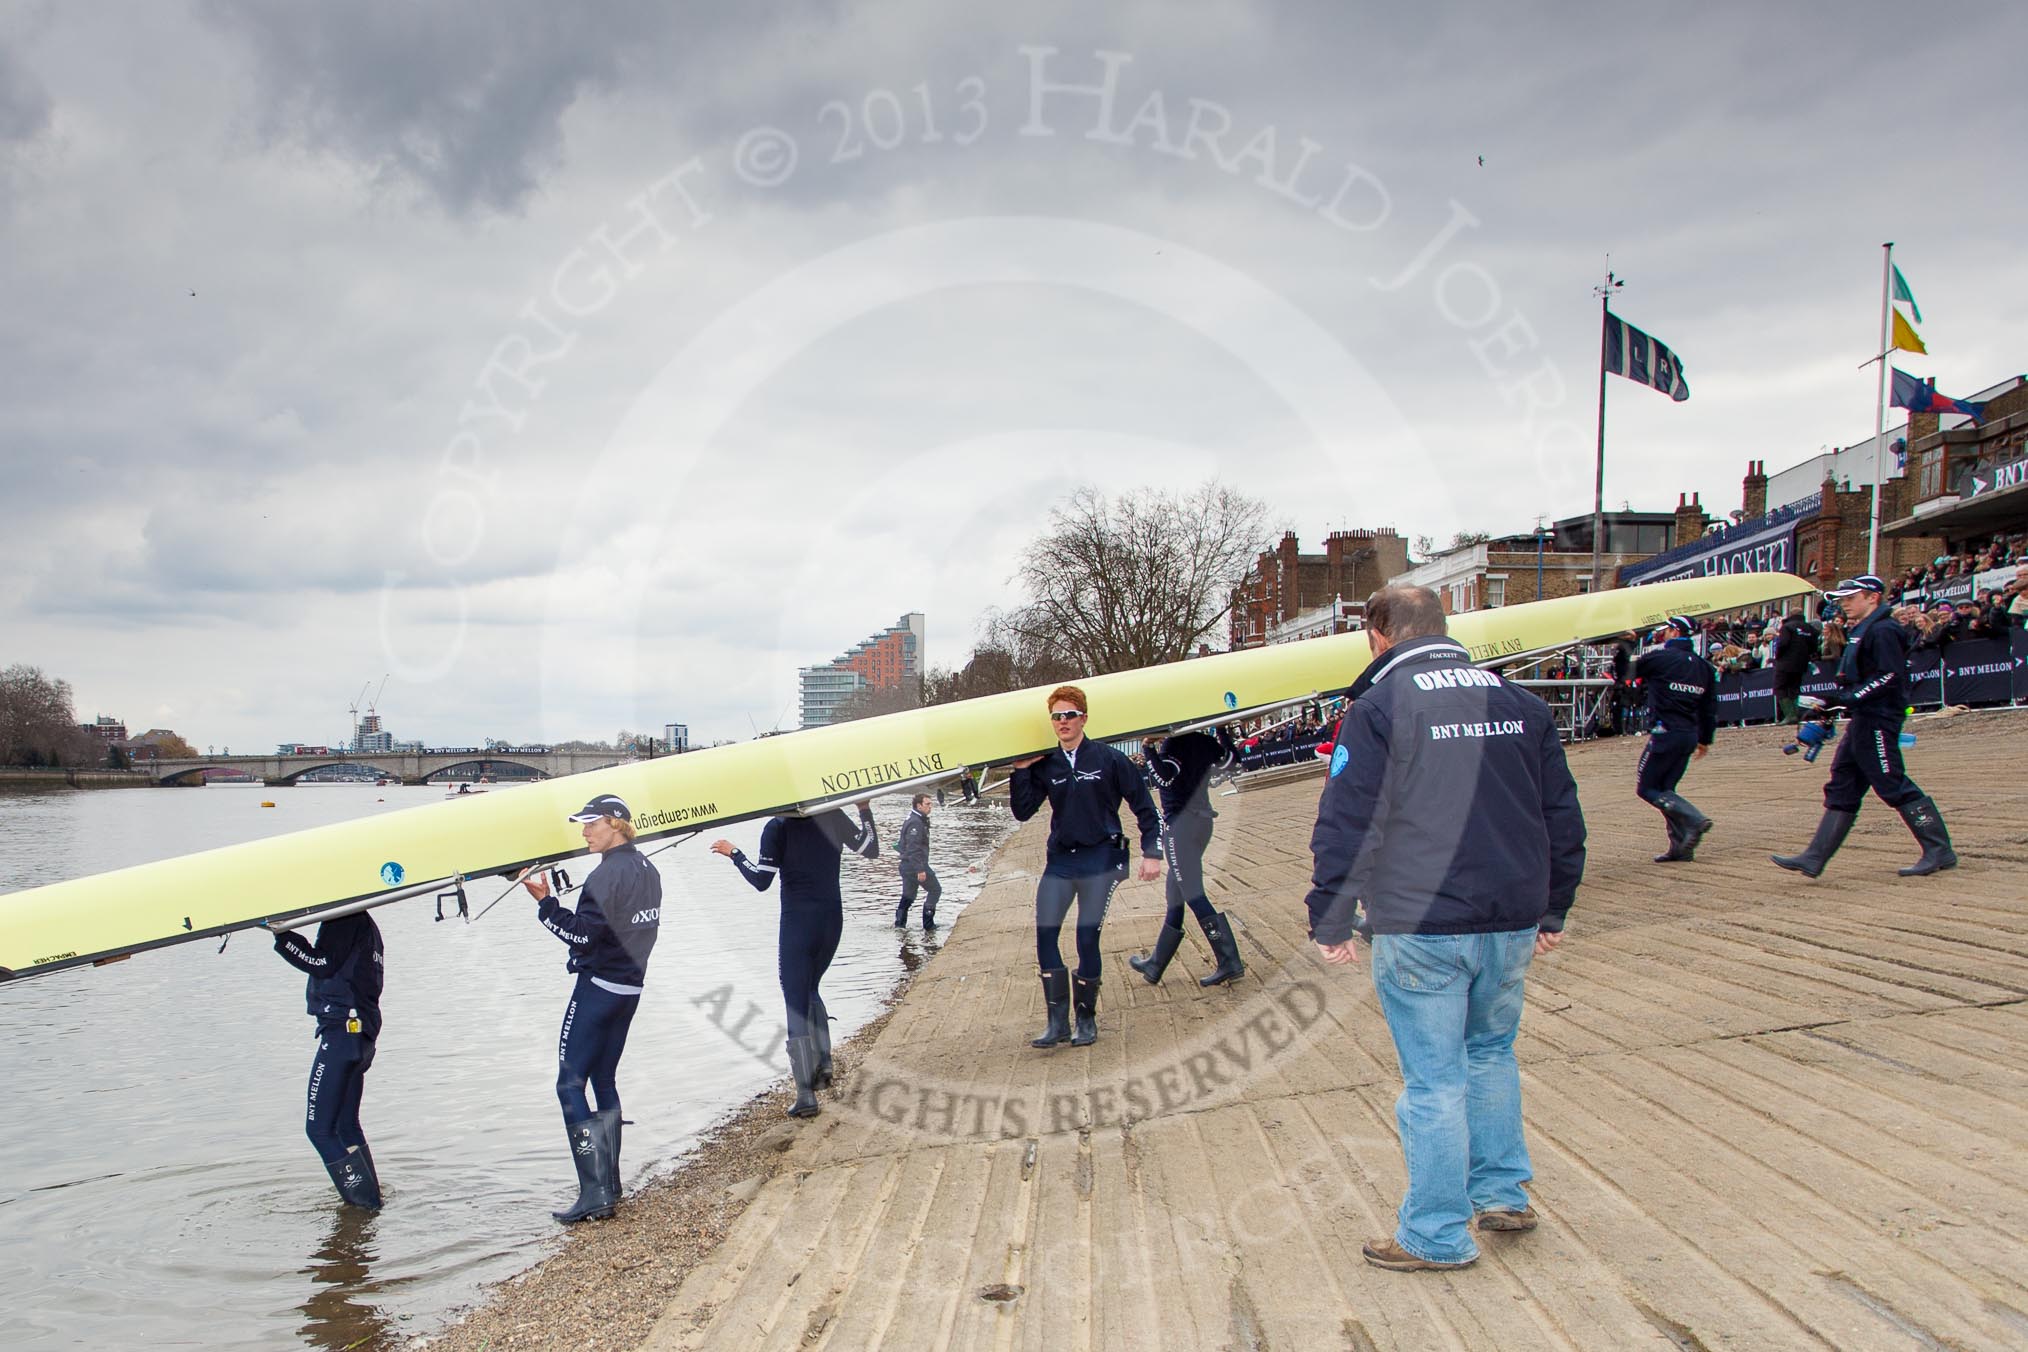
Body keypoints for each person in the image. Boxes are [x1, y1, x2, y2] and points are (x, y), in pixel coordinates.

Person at [1306, 585, 1585, 1272]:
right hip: (1512, 915)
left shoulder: (1378, 709)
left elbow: (1348, 822)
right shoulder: (1520, 704)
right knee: (1491, 1054)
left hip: (1422, 920)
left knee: (1433, 1082)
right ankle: (1502, 1193)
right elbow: (1562, 814)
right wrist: (1554, 905)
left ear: (1378, 634)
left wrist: (1331, 916)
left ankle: (1435, 1233)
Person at [519, 793, 662, 1224]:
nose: (584, 833)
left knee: (569, 1085)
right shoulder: (648, 868)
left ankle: (594, 1191)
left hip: (599, 989)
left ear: (616, 824)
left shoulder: (604, 877)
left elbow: (582, 937)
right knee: (603, 1078)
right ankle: (610, 1183)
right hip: (629, 989)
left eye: (591, 825)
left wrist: (544, 903)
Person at [1009, 684, 1163, 1049]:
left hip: (1101, 858)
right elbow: (1022, 811)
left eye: (1070, 715)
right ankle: (1057, 1022)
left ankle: (1086, 1020)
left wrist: (1152, 853)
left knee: (1085, 937)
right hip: (1061, 860)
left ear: (1084, 718)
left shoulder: (1109, 759)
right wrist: (1020, 771)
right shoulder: (1049, 765)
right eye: (1057, 716)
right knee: (1045, 934)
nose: (1063, 722)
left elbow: (1144, 807)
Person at [1773, 575, 1957, 879]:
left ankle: (1938, 849)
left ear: (1872, 597)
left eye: (1851, 597)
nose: (1844, 603)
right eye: (1843, 598)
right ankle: (1814, 857)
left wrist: (1846, 699)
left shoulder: (1883, 630)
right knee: (1843, 782)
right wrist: (1839, 702)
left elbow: (1888, 676)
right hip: (1865, 717)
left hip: (1878, 717)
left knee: (1891, 782)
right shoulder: (1865, 628)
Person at [712, 802, 879, 1117]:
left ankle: (805, 1096)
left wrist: (734, 854)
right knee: (811, 986)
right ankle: (824, 1064)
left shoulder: (777, 827)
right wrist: (864, 809)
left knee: (795, 1002)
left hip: (798, 925)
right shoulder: (833, 813)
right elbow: (870, 850)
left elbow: (761, 880)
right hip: (832, 921)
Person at [273, 911, 385, 1209]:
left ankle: (364, 1211)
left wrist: (281, 934)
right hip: (359, 1034)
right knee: (347, 1125)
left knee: (319, 1130)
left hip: (342, 1033)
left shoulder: (344, 918)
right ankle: (372, 1202)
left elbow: (322, 964)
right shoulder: (363, 922)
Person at [1128, 726, 1244, 987]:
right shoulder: (1204, 741)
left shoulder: (1172, 746)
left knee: (1192, 892)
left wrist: (1147, 748)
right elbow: (1233, 765)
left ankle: (1229, 960)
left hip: (1180, 827)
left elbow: (1165, 778)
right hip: (1202, 822)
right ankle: (1156, 964)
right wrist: (1224, 733)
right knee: (1175, 893)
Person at [1632, 616, 1719, 863]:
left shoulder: (1661, 658)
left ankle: (1694, 818)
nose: (1664, 634)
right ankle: (1681, 847)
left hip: (1665, 733)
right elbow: (1709, 707)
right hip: (1688, 736)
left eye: (1666, 630)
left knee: (1647, 788)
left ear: (1674, 631)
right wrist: (1705, 739)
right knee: (1666, 790)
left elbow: (1624, 673)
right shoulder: (1704, 667)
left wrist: (1625, 644)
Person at [894, 793, 941, 930]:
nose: (930, 807)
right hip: (914, 865)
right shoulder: (916, 822)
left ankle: (899, 926)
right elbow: (913, 848)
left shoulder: (915, 818)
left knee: (908, 896)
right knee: (935, 890)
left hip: (907, 865)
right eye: (927, 804)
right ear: (919, 806)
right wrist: (920, 869)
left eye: (931, 804)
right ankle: (928, 925)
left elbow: (904, 844)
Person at [1770, 610, 1820, 725]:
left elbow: (1783, 644)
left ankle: (1789, 715)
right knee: (1794, 688)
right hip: (1801, 663)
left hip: (1785, 662)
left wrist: (1778, 656)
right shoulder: (1810, 628)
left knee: (1780, 687)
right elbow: (1814, 646)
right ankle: (1795, 714)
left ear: (1791, 615)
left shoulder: (1787, 627)